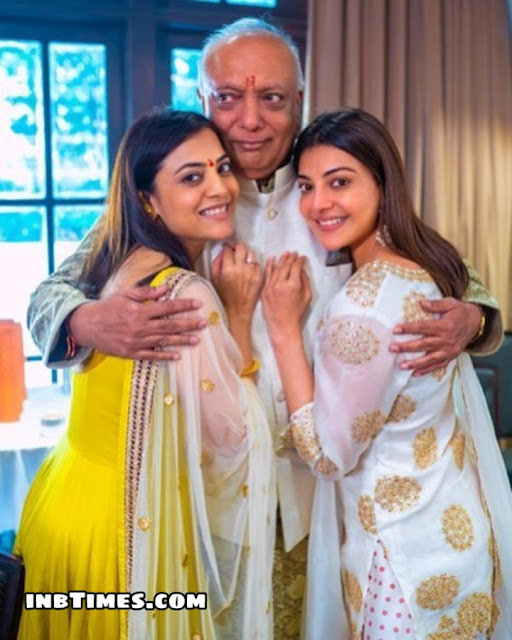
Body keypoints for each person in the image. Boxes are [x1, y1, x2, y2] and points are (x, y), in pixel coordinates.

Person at [26, 18, 503, 639]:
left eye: (272, 98)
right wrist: (86, 318)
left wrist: (471, 318)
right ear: (203, 98)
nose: (249, 119)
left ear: (300, 99)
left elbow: (459, 281)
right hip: (210, 504)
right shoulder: (180, 196)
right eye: (228, 97)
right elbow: (49, 296)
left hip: (329, 499)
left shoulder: (333, 187)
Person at [14, 108, 275, 640]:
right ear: (147, 200)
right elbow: (232, 440)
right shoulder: (184, 294)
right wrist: (239, 314)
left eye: (222, 169)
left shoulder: (115, 260)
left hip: (65, 500)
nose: (220, 188)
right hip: (127, 526)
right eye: (192, 177)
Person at [262, 107, 512, 639]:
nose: (318, 203)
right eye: (306, 186)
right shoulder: (426, 265)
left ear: (382, 184)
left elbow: (328, 456)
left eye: (340, 182)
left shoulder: (364, 305)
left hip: (403, 562)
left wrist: (282, 330)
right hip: (454, 531)